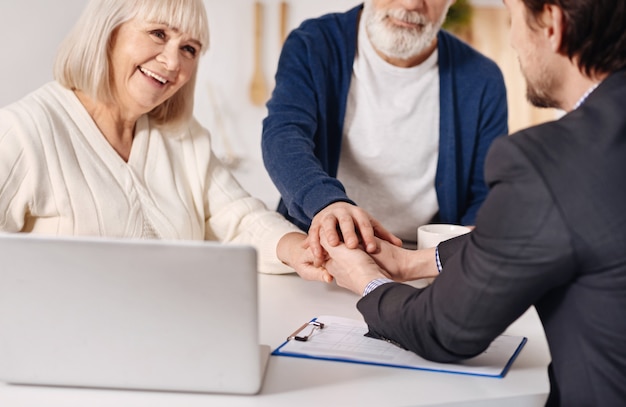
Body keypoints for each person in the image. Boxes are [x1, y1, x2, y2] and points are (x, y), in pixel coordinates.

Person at [319, 0, 626, 405]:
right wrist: (416, 262)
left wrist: (364, 277)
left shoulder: (552, 161)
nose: (514, 40)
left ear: (551, 25)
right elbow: (570, 221)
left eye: (513, 18)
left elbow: (442, 329)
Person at [0, 0, 328, 281]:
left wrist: (299, 250)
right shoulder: (23, 130)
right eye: (158, 34)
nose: (173, 63)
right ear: (108, 32)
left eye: (189, 49)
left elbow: (239, 218)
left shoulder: (184, 138)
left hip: (175, 336)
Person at [261, 0, 508, 264]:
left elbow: (486, 194)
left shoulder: (483, 79)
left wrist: (451, 258)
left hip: (424, 264)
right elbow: (284, 136)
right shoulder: (312, 44)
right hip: (321, 251)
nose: (412, 4)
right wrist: (326, 204)